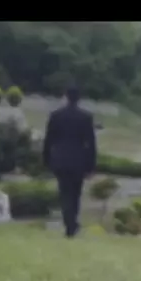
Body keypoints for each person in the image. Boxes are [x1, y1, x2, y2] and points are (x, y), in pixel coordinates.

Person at [42, 86, 98, 238]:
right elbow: (91, 143)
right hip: (79, 160)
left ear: (65, 96)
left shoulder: (56, 116)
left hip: (60, 159)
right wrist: (91, 165)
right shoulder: (85, 117)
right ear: (79, 99)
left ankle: (69, 223)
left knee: (64, 192)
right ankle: (72, 222)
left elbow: (48, 140)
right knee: (76, 193)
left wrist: (46, 159)